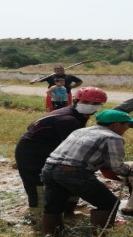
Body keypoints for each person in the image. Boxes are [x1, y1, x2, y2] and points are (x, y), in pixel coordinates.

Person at [40, 109, 133, 237]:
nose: (127, 128)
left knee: (54, 205)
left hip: (49, 168)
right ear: (116, 125)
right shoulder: (113, 137)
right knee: (108, 203)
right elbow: (117, 166)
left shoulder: (81, 131)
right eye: (127, 124)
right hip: (74, 172)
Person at [14, 87, 108, 224]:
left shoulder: (75, 115)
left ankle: (66, 213)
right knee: (38, 184)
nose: (91, 106)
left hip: (51, 149)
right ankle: (39, 219)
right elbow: (77, 146)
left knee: (67, 180)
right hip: (32, 153)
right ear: (76, 100)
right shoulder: (67, 120)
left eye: (95, 104)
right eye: (86, 102)